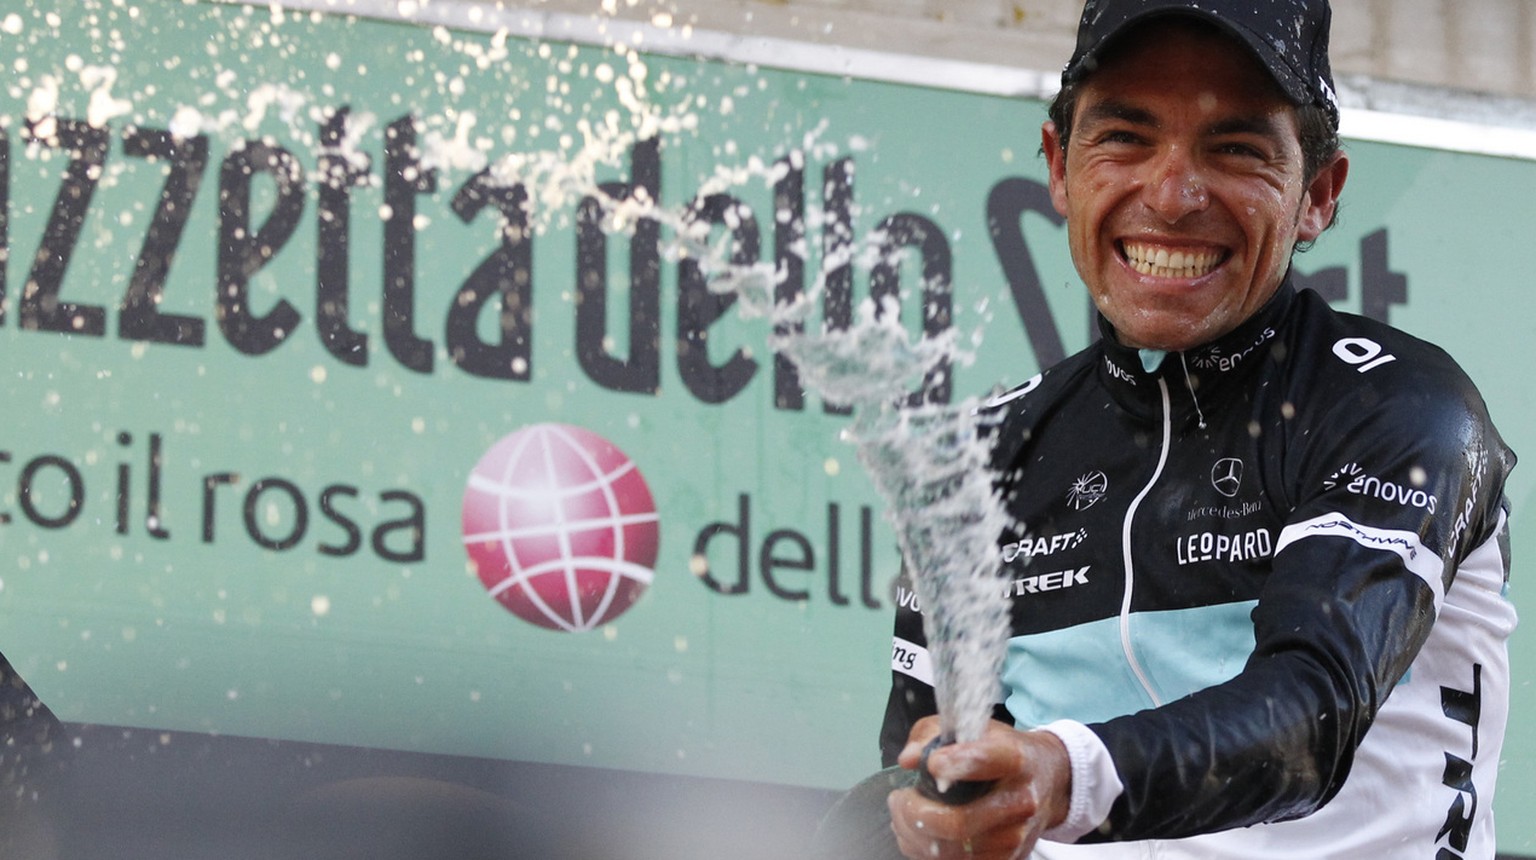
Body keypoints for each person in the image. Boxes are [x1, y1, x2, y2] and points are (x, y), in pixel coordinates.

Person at [814, 1, 1518, 858]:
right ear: (1059, 167)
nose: (1174, 195)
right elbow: (936, 793)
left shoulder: (1399, 407)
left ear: (1318, 196)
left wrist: (1062, 775)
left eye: (1236, 150)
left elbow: (1311, 714)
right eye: (1125, 138)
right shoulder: (976, 467)